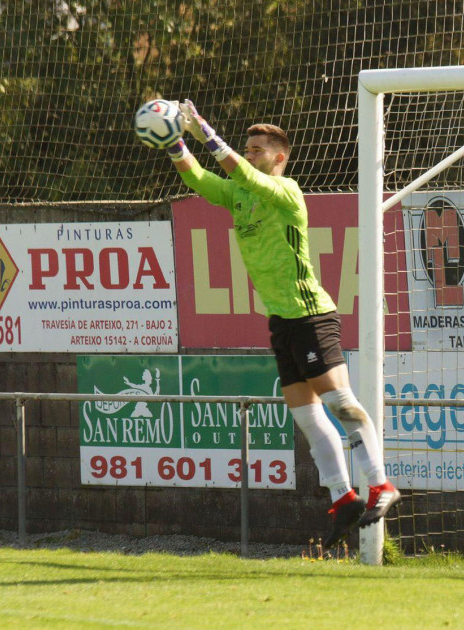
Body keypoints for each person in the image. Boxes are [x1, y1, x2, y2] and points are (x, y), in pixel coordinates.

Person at [159, 100, 400, 546]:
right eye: (247, 148)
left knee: (342, 404)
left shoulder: (286, 190)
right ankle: (343, 496)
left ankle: (381, 484)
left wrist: (206, 132)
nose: (249, 155)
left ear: (278, 157)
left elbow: (241, 173)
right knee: (306, 416)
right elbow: (196, 176)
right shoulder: (240, 195)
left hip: (310, 313)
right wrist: (171, 137)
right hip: (282, 321)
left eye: (257, 149)